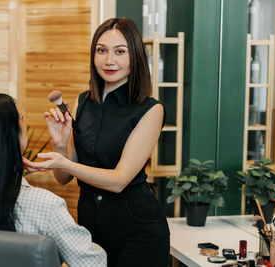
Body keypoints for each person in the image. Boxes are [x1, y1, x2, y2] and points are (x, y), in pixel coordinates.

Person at [23, 18, 170, 267]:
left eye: (120, 52)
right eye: (101, 50)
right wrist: (60, 143)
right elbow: (63, 178)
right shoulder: (83, 102)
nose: (109, 60)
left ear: (135, 57)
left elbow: (120, 180)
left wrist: (66, 164)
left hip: (138, 233)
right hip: (91, 230)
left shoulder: (151, 110)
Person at [0, 93, 106, 267]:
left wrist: (60, 146)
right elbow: (93, 263)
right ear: (12, 137)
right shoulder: (44, 205)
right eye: (22, 119)